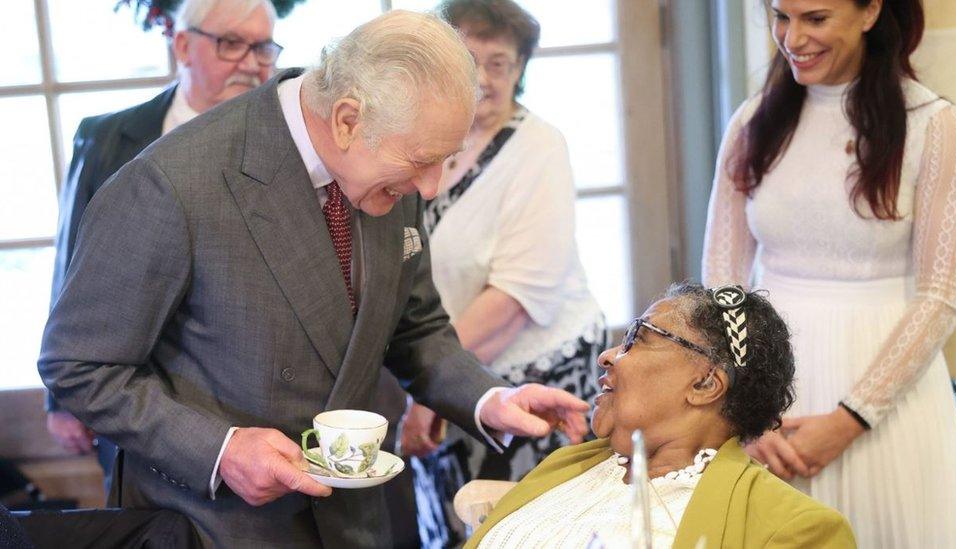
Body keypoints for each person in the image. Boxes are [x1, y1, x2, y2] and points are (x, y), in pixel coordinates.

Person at [37, 10, 590, 548]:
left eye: (444, 160)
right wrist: (222, 450)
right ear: (347, 119)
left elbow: (415, 327)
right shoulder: (171, 184)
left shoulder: (391, 162)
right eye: (422, 161)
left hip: (358, 517)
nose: (430, 187)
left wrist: (488, 398)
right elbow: (79, 365)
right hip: (216, 524)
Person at [702, 0, 956, 546]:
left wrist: (852, 417)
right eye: (781, 17)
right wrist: (748, 411)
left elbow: (943, 293)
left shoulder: (933, 125)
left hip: (889, 403)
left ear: (871, 11)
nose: (793, 37)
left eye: (816, 18)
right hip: (771, 397)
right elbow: (720, 283)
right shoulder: (752, 122)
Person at [45, 0, 280, 496]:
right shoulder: (108, 136)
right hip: (134, 401)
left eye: (263, 47)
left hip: (255, 414)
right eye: (231, 43)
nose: (251, 63)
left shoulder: (286, 141)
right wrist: (59, 401)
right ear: (182, 45)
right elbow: (72, 264)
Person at [397, 0, 607, 545]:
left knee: (519, 533)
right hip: (453, 371)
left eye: (501, 63)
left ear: (520, 71)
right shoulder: (428, 140)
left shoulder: (539, 147)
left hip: (536, 378)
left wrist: (429, 392)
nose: (486, 79)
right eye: (472, 60)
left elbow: (514, 299)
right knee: (453, 528)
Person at [466, 283, 855, 548]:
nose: (608, 356)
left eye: (638, 339)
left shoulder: (790, 528)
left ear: (705, 384)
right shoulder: (568, 464)